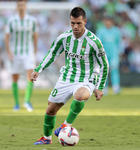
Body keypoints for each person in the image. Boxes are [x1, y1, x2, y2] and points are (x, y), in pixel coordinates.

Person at [30, 7, 109, 145]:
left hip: (87, 78)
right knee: (50, 110)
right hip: (67, 76)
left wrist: (100, 87)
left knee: (80, 95)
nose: (75, 26)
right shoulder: (64, 38)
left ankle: (65, 125)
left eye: (79, 23)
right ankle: (47, 138)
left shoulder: (94, 42)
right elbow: (52, 54)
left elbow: (104, 65)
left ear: (85, 22)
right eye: (72, 23)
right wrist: (38, 69)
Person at [4, 0, 38, 112]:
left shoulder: (32, 21)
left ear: (26, 6)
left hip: (28, 53)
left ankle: (27, 101)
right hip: (16, 53)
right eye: (19, 5)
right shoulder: (11, 21)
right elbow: (7, 37)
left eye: (22, 4)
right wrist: (9, 52)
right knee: (15, 77)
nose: (21, 7)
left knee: (31, 76)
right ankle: (16, 103)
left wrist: (35, 51)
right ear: (17, 7)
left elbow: (35, 36)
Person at [96, 16, 122, 94]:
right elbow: (98, 43)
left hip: (114, 54)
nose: (108, 23)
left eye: (109, 21)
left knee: (114, 69)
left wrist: (120, 52)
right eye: (106, 21)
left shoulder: (116, 31)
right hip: (103, 55)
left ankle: (116, 87)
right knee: (104, 71)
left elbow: (119, 43)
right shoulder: (101, 31)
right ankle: (104, 88)